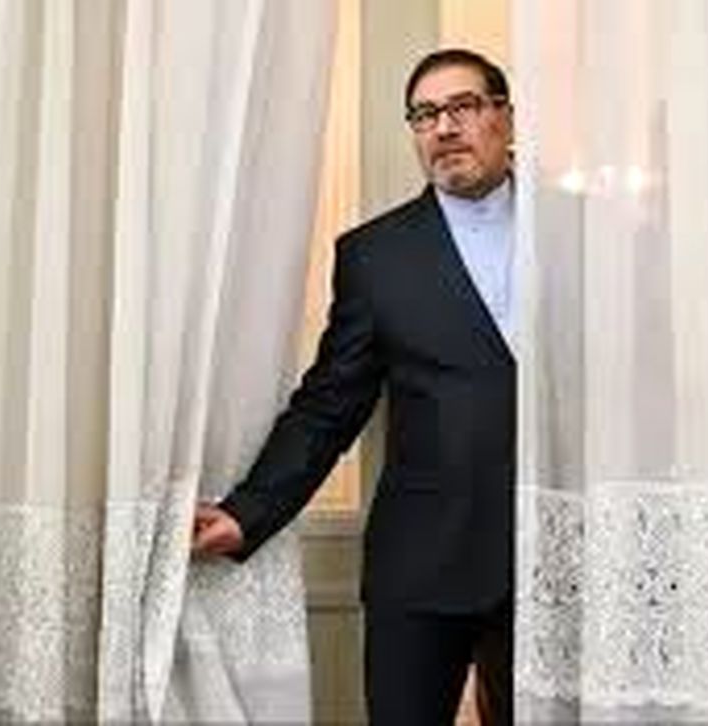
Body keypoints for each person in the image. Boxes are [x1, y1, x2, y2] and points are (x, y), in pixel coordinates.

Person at [191, 47, 516, 725]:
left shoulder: (584, 237)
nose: (444, 127)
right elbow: (330, 404)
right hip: (422, 562)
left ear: (504, 117)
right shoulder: (375, 255)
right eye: (424, 115)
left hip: (558, 557)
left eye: (462, 107)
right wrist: (248, 511)